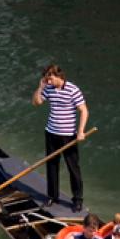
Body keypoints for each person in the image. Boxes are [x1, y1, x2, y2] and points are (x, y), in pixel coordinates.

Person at [32, 63, 88, 212]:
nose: (48, 82)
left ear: (59, 76)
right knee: (52, 166)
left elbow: (83, 110)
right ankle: (52, 196)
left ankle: (77, 200)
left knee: (73, 168)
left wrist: (81, 131)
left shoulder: (73, 90)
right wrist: (41, 87)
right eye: (46, 79)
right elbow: (36, 102)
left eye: (50, 79)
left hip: (68, 136)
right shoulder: (48, 88)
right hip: (51, 133)